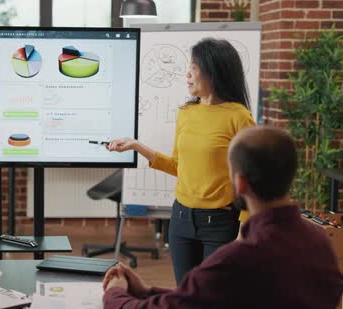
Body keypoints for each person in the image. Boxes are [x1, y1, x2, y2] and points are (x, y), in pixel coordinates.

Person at [102, 126, 343, 309]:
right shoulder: (320, 241)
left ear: (240, 183)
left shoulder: (237, 260)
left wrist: (115, 293)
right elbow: (213, 298)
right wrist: (146, 292)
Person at [107, 38, 256, 284]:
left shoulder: (239, 117)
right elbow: (178, 165)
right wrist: (136, 145)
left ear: (214, 71)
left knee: (214, 299)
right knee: (186, 296)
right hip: (181, 220)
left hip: (220, 225)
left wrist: (243, 232)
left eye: (194, 67)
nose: (187, 74)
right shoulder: (187, 113)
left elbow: (252, 180)